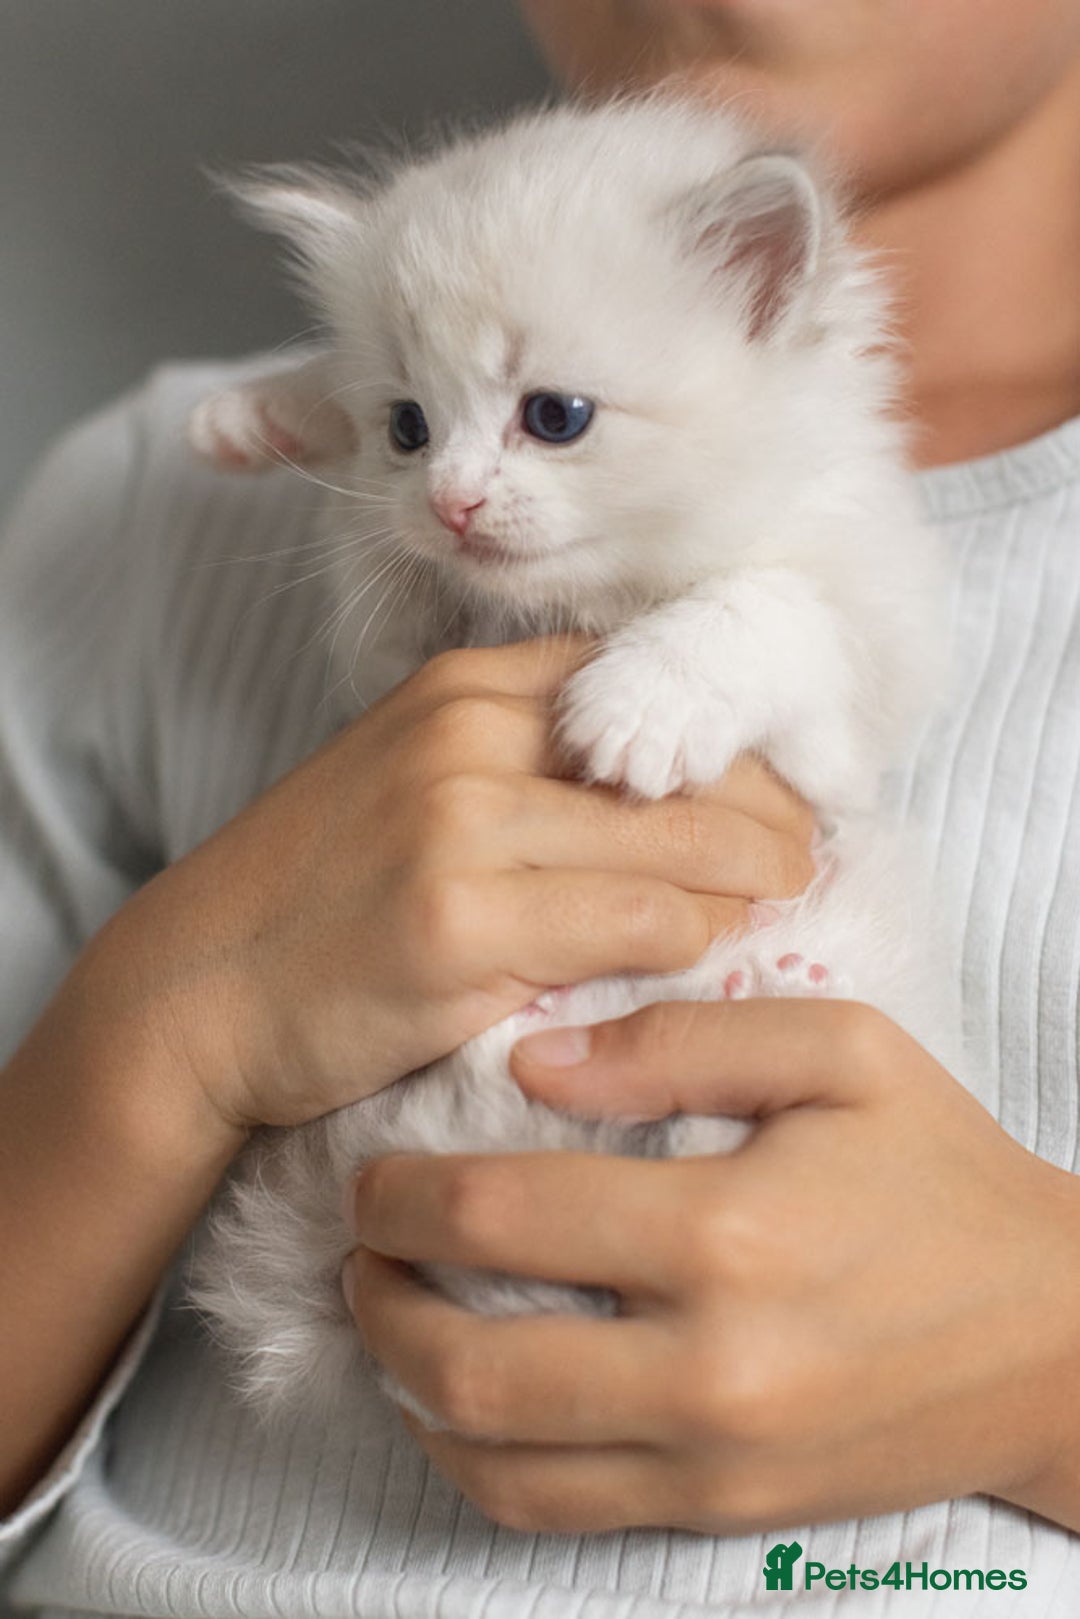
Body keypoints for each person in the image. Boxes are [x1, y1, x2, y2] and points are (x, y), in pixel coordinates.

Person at [1, 1, 1079, 1614]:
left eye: (553, 417)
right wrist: (180, 1019)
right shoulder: (148, 509)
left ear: (766, 286)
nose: (453, 494)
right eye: (407, 431)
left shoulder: (829, 566)